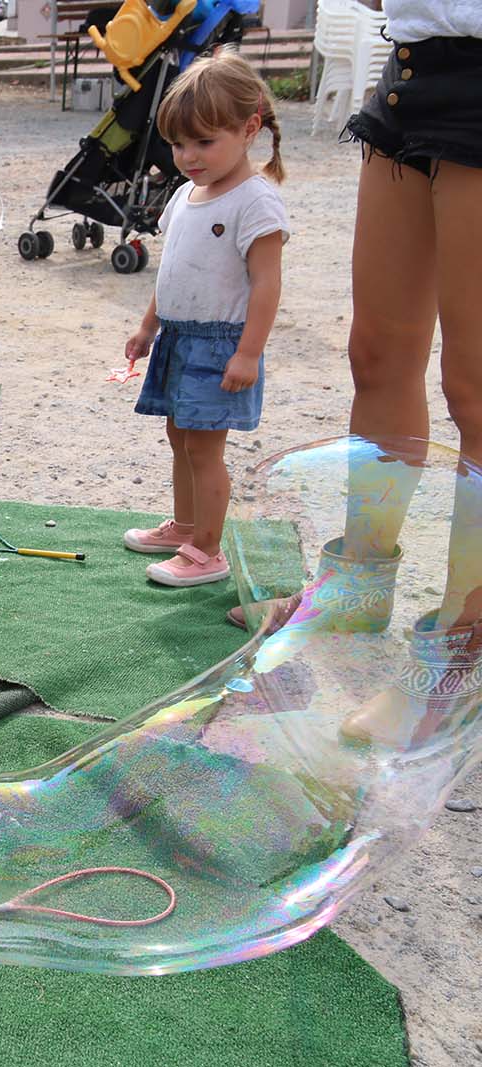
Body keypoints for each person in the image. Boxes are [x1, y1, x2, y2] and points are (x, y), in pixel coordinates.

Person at [317, 0, 481, 746]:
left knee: (475, 393)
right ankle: (356, 588)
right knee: (378, 354)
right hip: (413, 70)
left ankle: (457, 659)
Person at [120, 53, 287, 588]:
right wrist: (148, 326)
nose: (188, 156)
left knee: (204, 447)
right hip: (178, 336)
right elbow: (172, 270)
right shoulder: (185, 195)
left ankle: (208, 552)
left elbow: (266, 283)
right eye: (178, 144)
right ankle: (187, 527)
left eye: (204, 142)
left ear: (249, 129)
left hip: (220, 345)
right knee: (179, 435)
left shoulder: (255, 202)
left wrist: (248, 353)